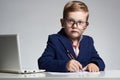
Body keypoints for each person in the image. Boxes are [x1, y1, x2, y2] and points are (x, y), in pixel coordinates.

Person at [38, 0, 105, 72]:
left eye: (80, 22)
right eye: (70, 21)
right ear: (62, 22)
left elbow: (100, 61)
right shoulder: (55, 40)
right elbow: (43, 62)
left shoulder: (88, 41)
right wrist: (65, 65)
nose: (75, 26)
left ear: (85, 26)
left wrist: (94, 64)